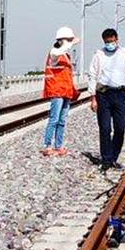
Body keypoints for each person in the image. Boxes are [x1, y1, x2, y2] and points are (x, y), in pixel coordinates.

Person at [87, 27, 125, 168]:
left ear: (117, 39)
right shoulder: (99, 55)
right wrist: (93, 98)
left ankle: (114, 155)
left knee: (120, 127)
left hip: (121, 94)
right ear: (104, 41)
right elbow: (92, 75)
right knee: (104, 128)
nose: (110, 44)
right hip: (103, 94)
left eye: (112, 41)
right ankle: (106, 159)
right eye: (107, 42)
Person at [39, 28, 77, 156]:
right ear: (61, 40)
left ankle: (59, 146)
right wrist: (71, 43)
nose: (70, 42)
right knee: (54, 119)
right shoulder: (55, 52)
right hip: (57, 91)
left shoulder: (66, 55)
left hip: (66, 91)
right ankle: (47, 145)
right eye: (69, 40)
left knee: (62, 121)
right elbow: (58, 52)